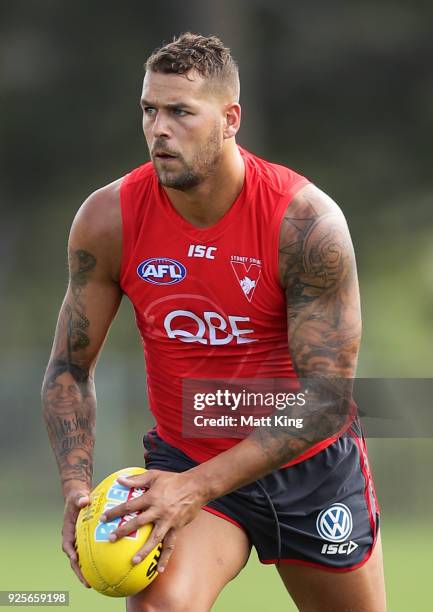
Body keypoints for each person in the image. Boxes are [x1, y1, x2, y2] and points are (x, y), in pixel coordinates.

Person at [42, 32, 386, 611]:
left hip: (307, 468)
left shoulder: (304, 223)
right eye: (149, 110)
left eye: (180, 112)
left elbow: (326, 397)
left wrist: (194, 489)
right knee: (160, 606)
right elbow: (70, 367)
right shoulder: (109, 218)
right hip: (187, 458)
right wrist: (77, 490)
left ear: (230, 119)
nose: (159, 129)